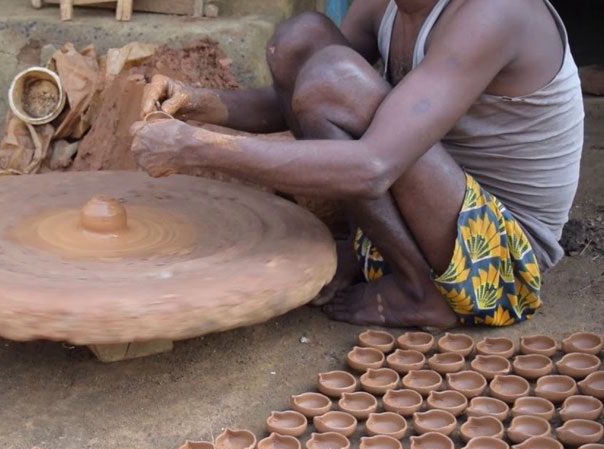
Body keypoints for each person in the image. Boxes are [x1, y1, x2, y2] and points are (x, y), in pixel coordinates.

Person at [130, 0, 584, 329]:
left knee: (333, 78)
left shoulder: (495, 12)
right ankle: (386, 258)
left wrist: (196, 148)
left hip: (500, 261)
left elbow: (372, 166)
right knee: (300, 39)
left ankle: (420, 293)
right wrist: (196, 102)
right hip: (433, 212)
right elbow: (295, 100)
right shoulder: (387, 7)